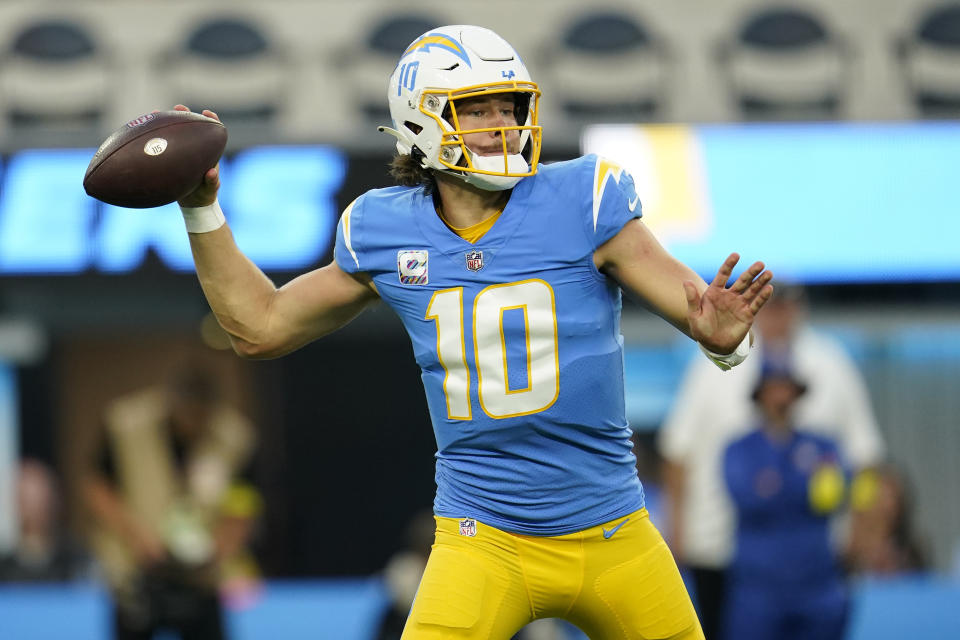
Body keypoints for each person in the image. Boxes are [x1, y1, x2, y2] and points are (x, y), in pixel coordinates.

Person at [172, 25, 773, 638]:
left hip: (614, 532)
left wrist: (723, 339)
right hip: (482, 538)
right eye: (477, 109)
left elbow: (698, 310)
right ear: (421, 122)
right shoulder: (384, 228)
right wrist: (200, 207)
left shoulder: (585, 200)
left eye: (508, 107)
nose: (501, 124)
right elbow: (260, 326)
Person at [657, 283, 884, 639]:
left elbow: (866, 460)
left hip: (818, 558)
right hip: (719, 549)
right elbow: (677, 454)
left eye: (787, 303)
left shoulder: (831, 364)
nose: (779, 312)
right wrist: (677, 531)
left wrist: (864, 531)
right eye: (771, 303)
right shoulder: (714, 365)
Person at [81, 364, 257, 640]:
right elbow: (97, 486)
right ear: (171, 403)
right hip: (137, 573)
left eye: (203, 416)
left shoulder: (234, 437)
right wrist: (137, 536)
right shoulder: (127, 424)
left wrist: (221, 549)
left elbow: (243, 502)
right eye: (189, 414)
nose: (194, 425)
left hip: (202, 578)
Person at [722, 358, 849, 640]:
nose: (781, 397)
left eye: (787, 389)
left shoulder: (823, 445)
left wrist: (775, 484)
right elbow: (748, 498)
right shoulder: (740, 449)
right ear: (760, 394)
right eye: (773, 388)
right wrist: (804, 484)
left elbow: (836, 495)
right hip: (758, 590)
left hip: (816, 586)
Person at [0, 458, 89, 582]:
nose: (35, 508)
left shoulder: (75, 563)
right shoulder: (4, 569)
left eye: (40, 499)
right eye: (27, 500)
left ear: (54, 501)